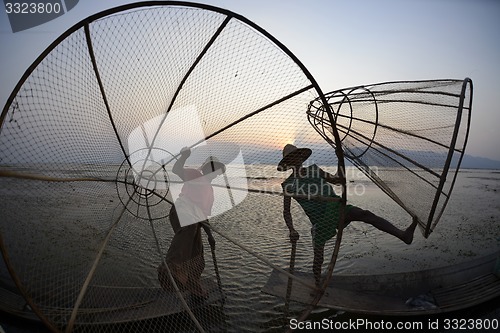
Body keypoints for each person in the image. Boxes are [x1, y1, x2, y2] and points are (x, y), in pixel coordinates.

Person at [278, 144, 418, 288]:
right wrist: (292, 229)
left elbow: (337, 180)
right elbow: (286, 211)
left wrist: (340, 159)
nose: (296, 159)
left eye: (297, 155)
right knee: (318, 258)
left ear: (301, 157)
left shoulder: (314, 169)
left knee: (365, 214)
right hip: (320, 221)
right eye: (292, 158)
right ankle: (317, 285)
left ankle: (403, 235)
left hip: (336, 208)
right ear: (288, 163)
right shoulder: (288, 184)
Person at [158, 147, 225, 301]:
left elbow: (204, 216)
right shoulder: (195, 175)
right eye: (211, 168)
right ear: (206, 168)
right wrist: (184, 156)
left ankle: (193, 284)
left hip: (196, 220)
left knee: (197, 257)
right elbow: (176, 169)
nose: (214, 172)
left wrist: (210, 236)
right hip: (182, 210)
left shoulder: (210, 192)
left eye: (216, 170)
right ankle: (170, 267)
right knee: (189, 229)